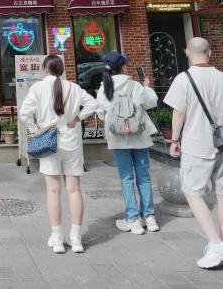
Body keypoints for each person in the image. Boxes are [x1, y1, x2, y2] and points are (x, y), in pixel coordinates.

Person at [164, 37, 223, 269]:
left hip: (197, 144)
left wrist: (175, 139)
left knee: (192, 192)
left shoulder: (184, 79)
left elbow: (179, 112)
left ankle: (215, 242)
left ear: (187, 52)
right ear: (210, 53)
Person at [18, 55, 98, 254]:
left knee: (53, 191)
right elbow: (93, 104)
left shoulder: (38, 88)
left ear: (45, 69)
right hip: (71, 142)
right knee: (74, 190)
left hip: (49, 143)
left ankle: (57, 238)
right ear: (61, 70)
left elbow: (24, 113)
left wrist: (36, 130)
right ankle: (76, 238)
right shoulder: (74, 87)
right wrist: (77, 118)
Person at [95, 51, 160, 235]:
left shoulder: (105, 88)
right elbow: (151, 103)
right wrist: (147, 87)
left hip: (118, 139)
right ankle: (149, 217)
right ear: (123, 66)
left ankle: (133, 219)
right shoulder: (135, 86)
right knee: (144, 177)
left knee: (126, 178)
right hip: (139, 137)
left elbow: (101, 114)